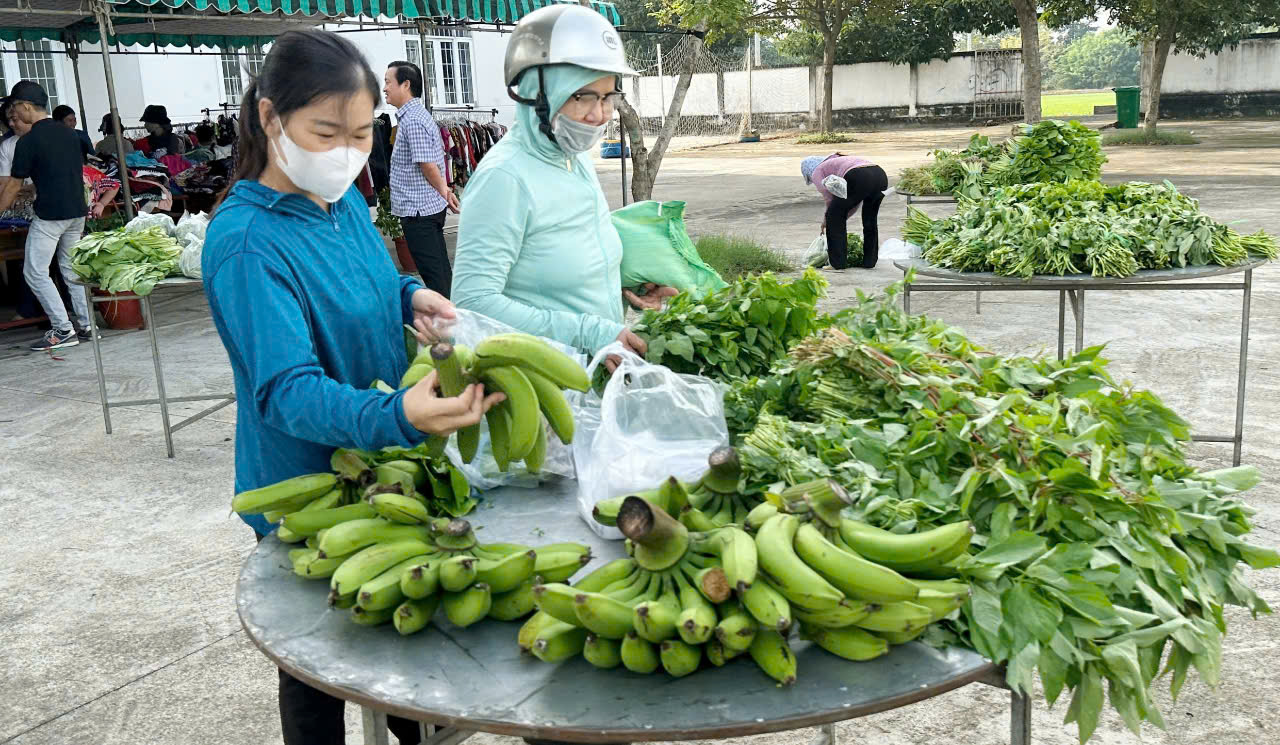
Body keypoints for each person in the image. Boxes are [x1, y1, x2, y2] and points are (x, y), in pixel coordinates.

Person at [202, 30, 501, 745]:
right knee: (317, 665)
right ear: (272, 119)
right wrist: (399, 412)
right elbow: (288, 392)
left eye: (363, 132)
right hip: (310, 486)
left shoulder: (339, 205)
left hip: (384, 467)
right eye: (325, 131)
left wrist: (407, 296)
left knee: (395, 657)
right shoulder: (247, 243)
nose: (345, 150)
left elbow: (365, 278)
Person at [451, 5, 674, 377]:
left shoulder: (573, 157)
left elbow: (564, 261)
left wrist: (629, 286)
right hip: (540, 384)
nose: (600, 114)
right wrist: (590, 332)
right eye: (582, 96)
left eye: (608, 97)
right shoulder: (505, 178)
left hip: (593, 373)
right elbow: (473, 303)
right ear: (539, 94)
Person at [0, 81, 92, 350]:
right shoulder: (70, 134)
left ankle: (63, 329)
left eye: (16, 109)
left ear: (26, 107)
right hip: (77, 213)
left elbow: (12, 186)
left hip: (51, 216)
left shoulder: (28, 142)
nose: (14, 116)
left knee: (35, 272)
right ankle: (87, 325)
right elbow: (61, 172)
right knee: (70, 270)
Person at [384, 60, 457, 296]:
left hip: (420, 212)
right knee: (439, 268)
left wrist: (445, 192)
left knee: (434, 272)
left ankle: (450, 322)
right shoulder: (415, 115)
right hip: (424, 208)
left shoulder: (413, 119)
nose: (384, 88)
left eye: (388, 82)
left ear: (405, 85)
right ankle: (454, 314)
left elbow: (427, 164)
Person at [801, 153, 888, 270]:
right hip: (880, 176)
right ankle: (869, 261)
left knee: (833, 217)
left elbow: (830, 199)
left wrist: (827, 220)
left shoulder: (817, 170)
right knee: (869, 219)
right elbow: (853, 200)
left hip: (859, 176)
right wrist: (842, 215)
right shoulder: (837, 161)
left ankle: (837, 264)